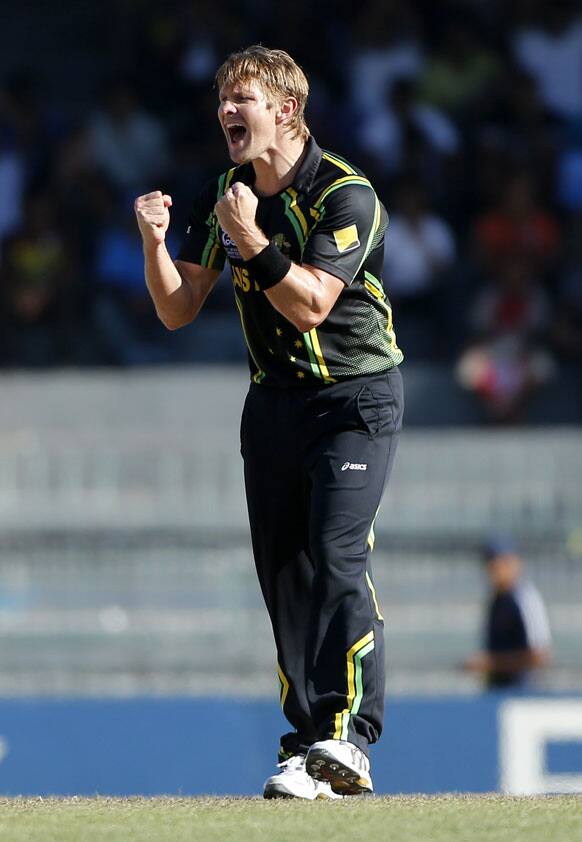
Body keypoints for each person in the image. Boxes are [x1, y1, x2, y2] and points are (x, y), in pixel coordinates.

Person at [134, 45, 404, 800]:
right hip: (274, 404)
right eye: (222, 100)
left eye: (241, 99)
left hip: (356, 399)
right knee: (285, 578)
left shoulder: (345, 194)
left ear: (286, 110)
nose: (226, 111)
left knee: (334, 553)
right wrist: (156, 244)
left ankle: (350, 735)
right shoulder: (226, 189)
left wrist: (250, 239)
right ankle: (308, 746)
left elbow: (313, 302)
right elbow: (176, 308)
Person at [464, 537, 552, 689]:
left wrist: (492, 663)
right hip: (498, 690)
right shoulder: (496, 600)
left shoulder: (525, 598)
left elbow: (539, 656)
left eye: (503, 562)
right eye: (492, 563)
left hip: (523, 692)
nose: (497, 569)